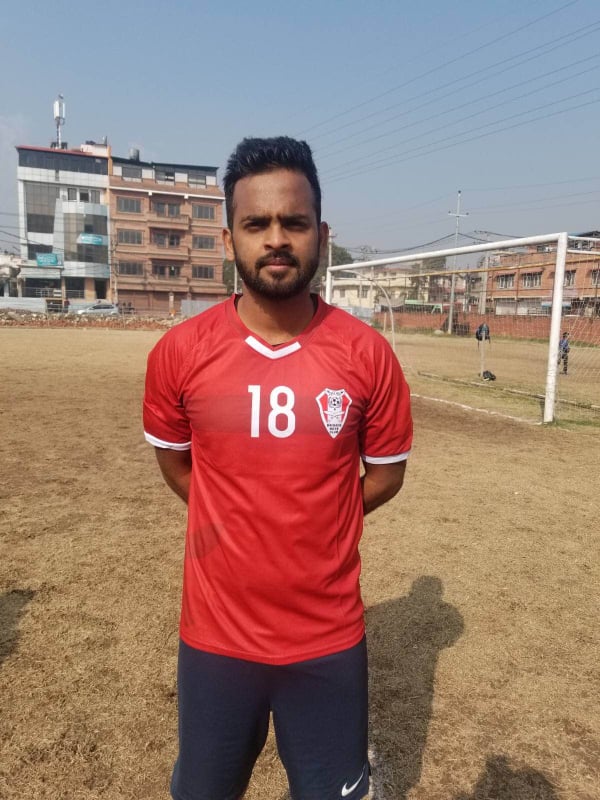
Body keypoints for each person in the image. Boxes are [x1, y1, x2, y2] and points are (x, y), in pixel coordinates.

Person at [143, 136, 413, 800]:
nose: (275, 239)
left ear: (321, 233)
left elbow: (385, 475)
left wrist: (322, 511)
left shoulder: (368, 355)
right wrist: (235, 509)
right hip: (215, 640)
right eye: (255, 223)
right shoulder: (180, 352)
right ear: (229, 237)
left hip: (327, 641)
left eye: (293, 222)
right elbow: (176, 463)